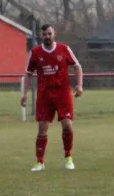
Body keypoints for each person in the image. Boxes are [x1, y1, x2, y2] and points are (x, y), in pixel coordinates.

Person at [20, 24, 84, 171]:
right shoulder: (35, 52)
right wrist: (24, 94)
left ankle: (68, 157)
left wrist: (79, 85)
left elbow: (77, 66)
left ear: (54, 34)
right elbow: (29, 73)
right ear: (40, 36)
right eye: (44, 34)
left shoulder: (64, 49)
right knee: (42, 128)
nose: (47, 37)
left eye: (49, 34)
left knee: (67, 124)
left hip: (63, 93)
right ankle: (39, 162)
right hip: (44, 95)